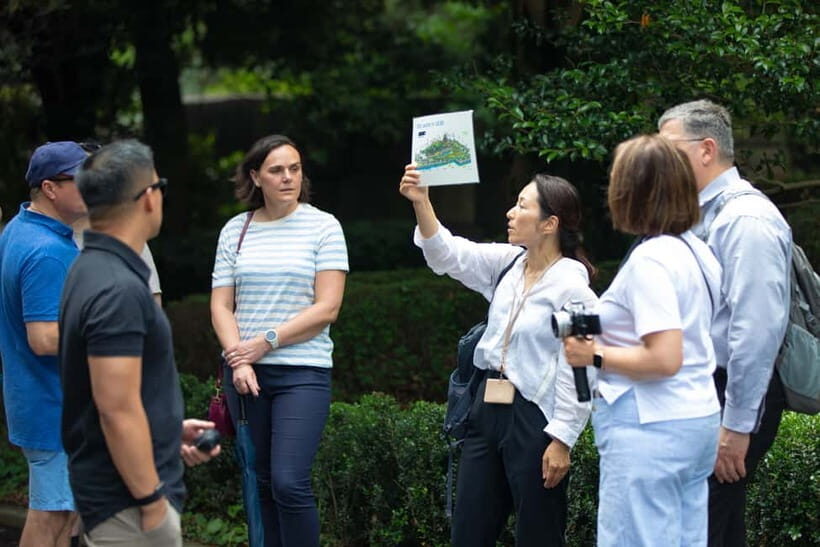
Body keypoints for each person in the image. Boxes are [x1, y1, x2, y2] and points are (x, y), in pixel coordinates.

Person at [400, 165, 596, 546]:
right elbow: (446, 253)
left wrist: (563, 438)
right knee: (468, 532)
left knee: (538, 533)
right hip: (484, 408)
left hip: (535, 418)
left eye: (522, 205)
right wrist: (422, 202)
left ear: (549, 223)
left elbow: (585, 369)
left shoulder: (575, 288)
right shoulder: (507, 263)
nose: (510, 212)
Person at [59, 140, 221, 547]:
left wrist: (166, 431)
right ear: (148, 198)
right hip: (130, 508)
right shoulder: (118, 289)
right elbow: (115, 409)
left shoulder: (88, 268)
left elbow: (112, 395)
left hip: (114, 496)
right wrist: (152, 502)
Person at [564, 135, 722, 546]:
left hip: (650, 426)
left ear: (629, 193)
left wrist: (592, 354)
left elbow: (665, 357)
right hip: (696, 418)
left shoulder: (651, 260)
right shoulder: (696, 250)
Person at [658, 100, 792, 547]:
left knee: (703, 527)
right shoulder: (695, 216)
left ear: (706, 149)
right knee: (710, 527)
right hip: (699, 390)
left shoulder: (746, 220)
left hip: (728, 394)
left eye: (668, 149)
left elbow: (756, 333)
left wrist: (736, 427)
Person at [211, 134, 348, 547]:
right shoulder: (237, 228)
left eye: (295, 168)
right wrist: (240, 360)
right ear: (256, 177)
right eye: (276, 170)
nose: (288, 177)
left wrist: (265, 342)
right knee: (263, 482)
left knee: (289, 481)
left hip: (303, 372)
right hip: (245, 375)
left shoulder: (323, 226)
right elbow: (221, 306)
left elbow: (327, 308)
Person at [0, 141, 87, 547]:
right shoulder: (47, 251)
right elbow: (45, 338)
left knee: (62, 514)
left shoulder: (18, 229)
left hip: (38, 402)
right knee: (50, 518)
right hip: (54, 408)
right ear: (51, 188)